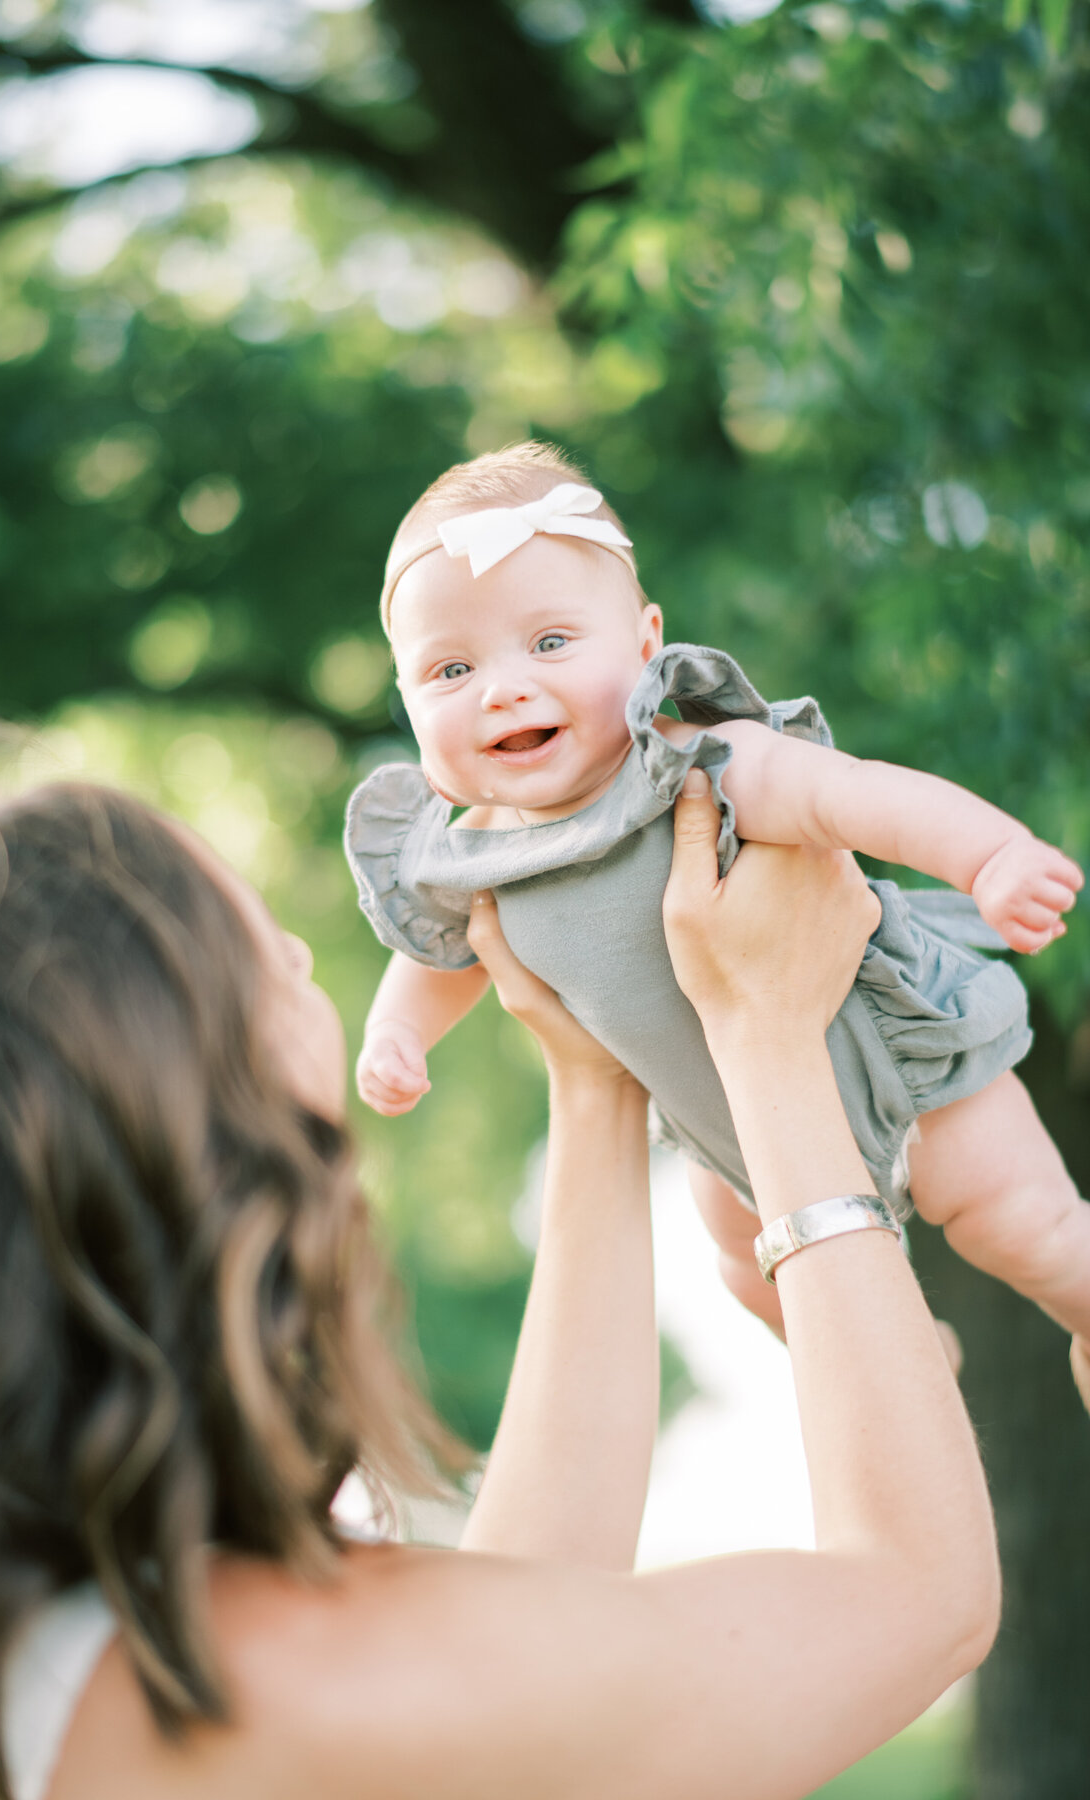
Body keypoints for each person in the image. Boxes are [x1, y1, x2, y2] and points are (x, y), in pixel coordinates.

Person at [0, 748, 998, 1800]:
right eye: (267, 958)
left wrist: (595, 1076)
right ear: (184, 1111)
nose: (305, 960)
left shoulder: (12, 1655)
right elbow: (913, 1600)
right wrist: (770, 1033)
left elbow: (520, 1624)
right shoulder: (255, 1681)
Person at [344, 440, 1090, 1379]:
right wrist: (396, 1035)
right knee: (748, 1269)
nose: (503, 688)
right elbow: (442, 958)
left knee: (1025, 1227)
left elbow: (856, 796)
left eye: (550, 643)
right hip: (734, 1126)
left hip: (896, 1064)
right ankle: (906, 1363)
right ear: (406, 698)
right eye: (449, 671)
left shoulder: (695, 764)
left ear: (647, 643)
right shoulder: (469, 853)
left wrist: (991, 858)